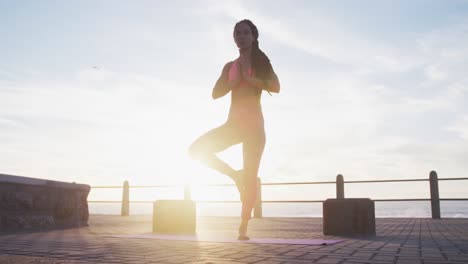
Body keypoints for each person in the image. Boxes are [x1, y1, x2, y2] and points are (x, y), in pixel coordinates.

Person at [188, 19, 280, 240]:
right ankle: (234, 176)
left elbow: (276, 86)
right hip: (233, 125)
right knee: (195, 150)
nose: (241, 36)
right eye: (237, 33)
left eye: (245, 32)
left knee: (251, 176)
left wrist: (251, 79)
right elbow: (215, 93)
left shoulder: (261, 61)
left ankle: (243, 227)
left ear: (253, 36)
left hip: (254, 128)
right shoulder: (230, 66)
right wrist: (232, 83)